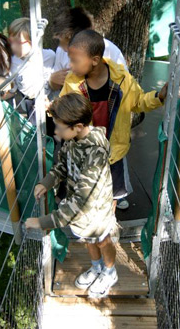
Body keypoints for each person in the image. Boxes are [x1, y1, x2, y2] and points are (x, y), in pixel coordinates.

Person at [60, 29, 168, 211]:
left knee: (113, 193)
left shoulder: (121, 79)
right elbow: (65, 109)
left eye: (75, 61)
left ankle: (108, 223)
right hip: (85, 151)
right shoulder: (72, 82)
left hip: (113, 150)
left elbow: (139, 101)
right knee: (86, 193)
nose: (70, 65)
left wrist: (158, 97)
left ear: (95, 60)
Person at [25, 93, 119, 299]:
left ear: (77, 126)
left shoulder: (95, 154)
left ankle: (110, 272)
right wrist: (46, 183)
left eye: (59, 127)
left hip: (96, 211)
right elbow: (62, 167)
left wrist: (42, 222)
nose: (56, 131)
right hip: (84, 215)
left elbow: (79, 203)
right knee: (88, 239)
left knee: (103, 240)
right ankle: (96, 267)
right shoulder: (73, 141)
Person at [45, 7, 127, 101]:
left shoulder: (109, 51)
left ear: (70, 37)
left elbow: (123, 89)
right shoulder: (61, 51)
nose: (60, 46)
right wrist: (52, 81)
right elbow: (56, 85)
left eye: (61, 40)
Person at [7, 17, 55, 123]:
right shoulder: (13, 62)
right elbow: (12, 88)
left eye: (17, 42)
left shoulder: (50, 56)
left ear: (32, 41)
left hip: (51, 101)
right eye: (11, 42)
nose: (12, 46)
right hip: (30, 104)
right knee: (35, 133)